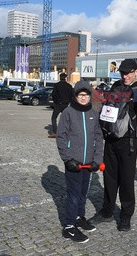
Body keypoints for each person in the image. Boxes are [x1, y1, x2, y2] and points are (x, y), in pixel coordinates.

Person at [91, 59, 137, 231]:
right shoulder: (116, 86)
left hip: (129, 142)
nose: (125, 76)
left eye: (128, 72)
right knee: (109, 179)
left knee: (126, 180)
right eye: (122, 72)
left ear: (136, 72)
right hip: (110, 139)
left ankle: (126, 216)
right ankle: (107, 211)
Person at [56, 81, 104, 243]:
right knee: (74, 195)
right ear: (75, 96)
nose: (84, 98)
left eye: (86, 94)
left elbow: (98, 137)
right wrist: (68, 159)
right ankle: (69, 226)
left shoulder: (93, 113)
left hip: (88, 162)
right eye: (80, 95)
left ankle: (78, 217)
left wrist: (97, 159)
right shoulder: (68, 112)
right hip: (73, 162)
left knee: (83, 193)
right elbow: (61, 137)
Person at [48, 72, 74, 138]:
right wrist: (69, 102)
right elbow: (72, 95)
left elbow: (53, 94)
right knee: (66, 119)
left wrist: (56, 101)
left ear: (60, 77)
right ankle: (67, 132)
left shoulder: (57, 85)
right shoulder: (69, 86)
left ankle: (55, 132)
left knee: (54, 118)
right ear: (65, 78)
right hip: (66, 104)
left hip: (58, 104)